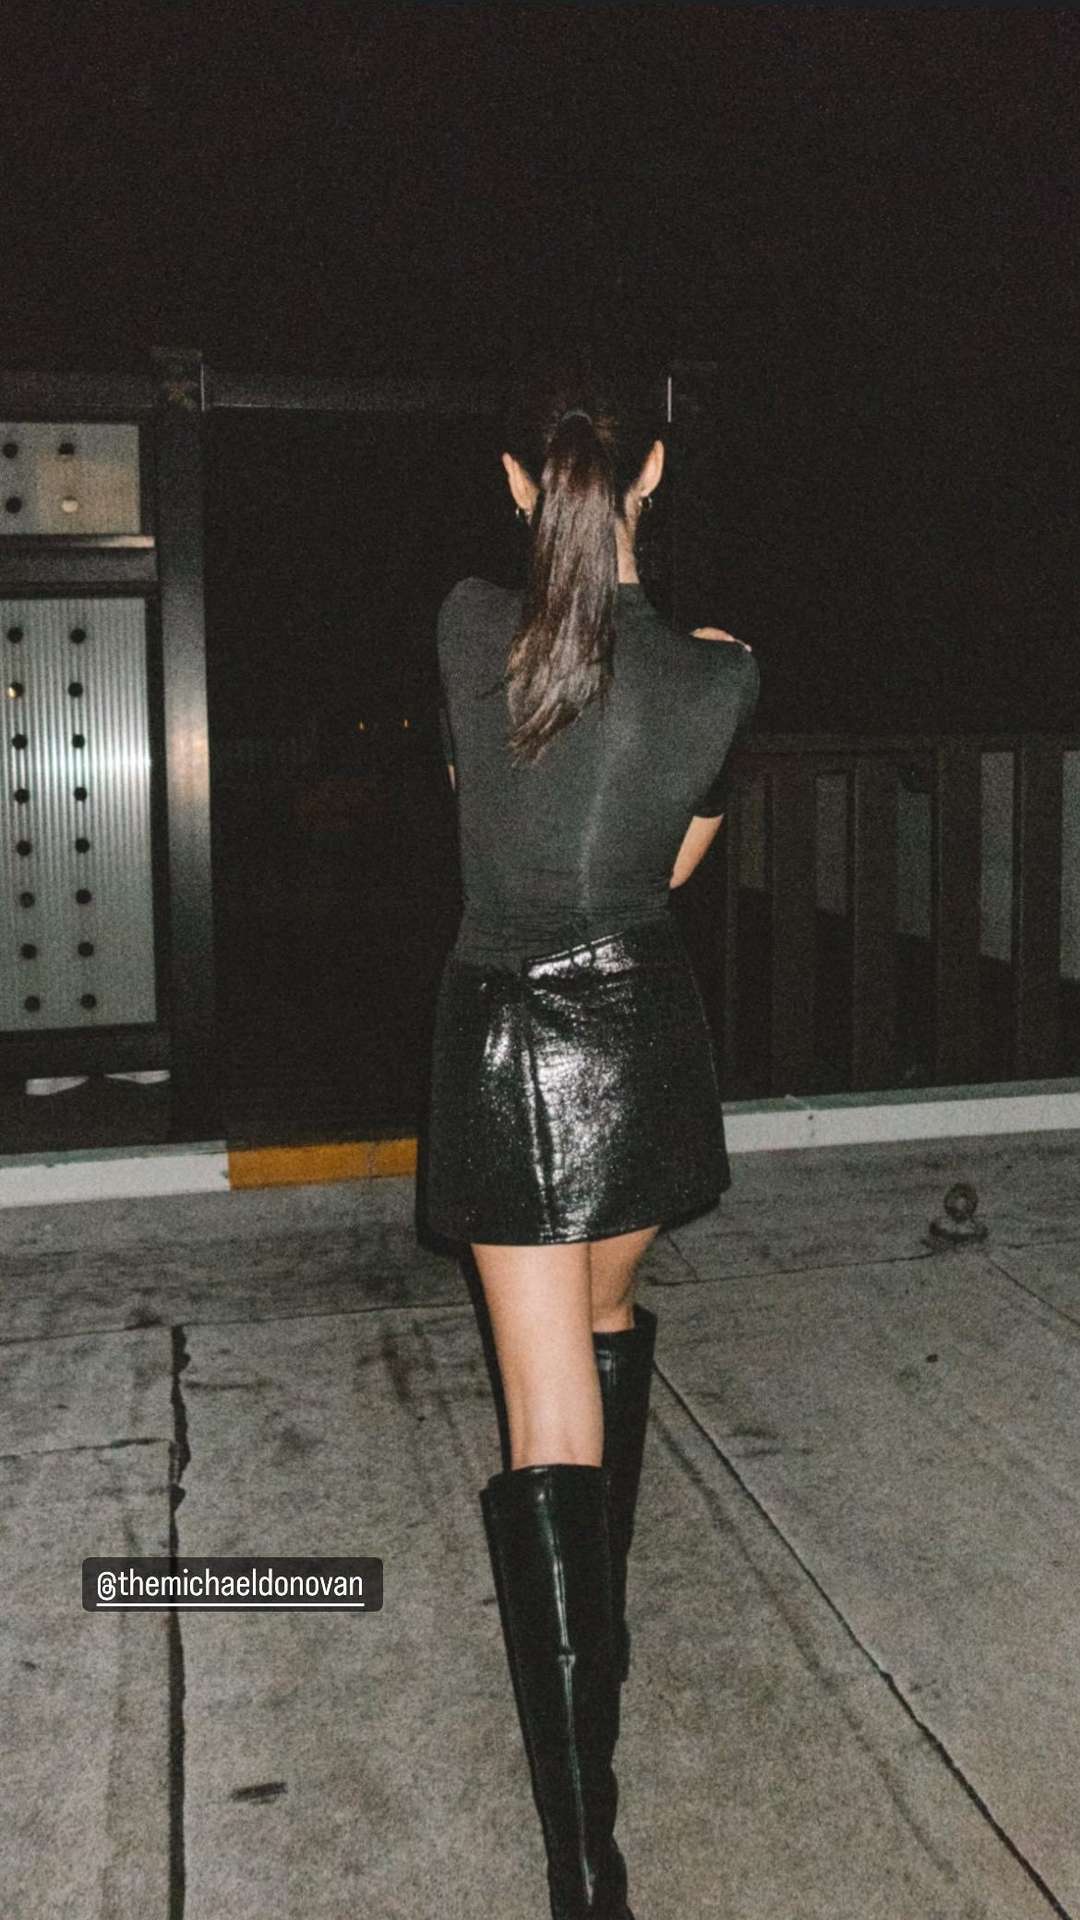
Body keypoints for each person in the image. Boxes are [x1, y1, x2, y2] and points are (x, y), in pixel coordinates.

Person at [424, 354, 759, 1919]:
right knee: (605, 1315)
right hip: (640, 1054)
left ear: (516, 482)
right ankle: (594, 1627)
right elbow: (668, 869)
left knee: (548, 1410)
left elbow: (486, 806)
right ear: (656, 476)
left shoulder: (464, 627)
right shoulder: (719, 677)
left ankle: (586, 1868)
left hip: (509, 1054)